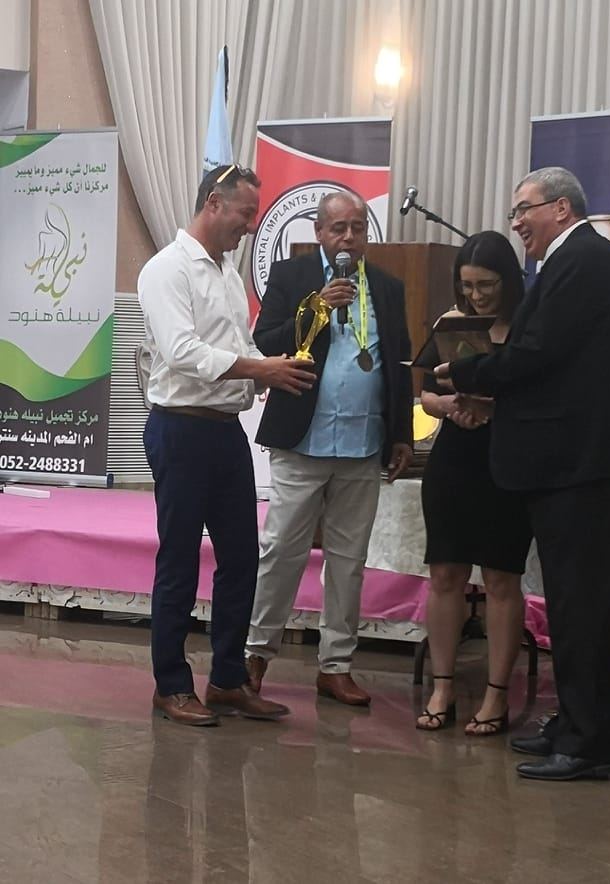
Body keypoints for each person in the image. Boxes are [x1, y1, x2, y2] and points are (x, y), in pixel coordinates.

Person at [436, 167, 610, 780]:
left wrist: (467, 372)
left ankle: (590, 744)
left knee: (582, 605)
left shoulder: (583, 261)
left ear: (561, 208)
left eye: (524, 209)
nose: (515, 222)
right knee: (570, 603)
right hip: (576, 461)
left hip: (587, 464)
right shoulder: (574, 261)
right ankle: (574, 725)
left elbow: (538, 354)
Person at [139, 163, 317, 726]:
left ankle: (227, 680)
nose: (250, 225)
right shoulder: (166, 269)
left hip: (224, 432)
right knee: (179, 560)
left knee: (241, 558)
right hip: (180, 430)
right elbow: (182, 353)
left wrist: (268, 369)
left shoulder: (227, 273)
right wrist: (260, 369)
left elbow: (238, 345)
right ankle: (171, 686)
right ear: (213, 203)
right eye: (245, 213)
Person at [245, 190, 414, 706]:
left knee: (348, 560)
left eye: (357, 228)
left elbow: (398, 363)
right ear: (319, 232)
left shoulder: (387, 287)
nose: (348, 238)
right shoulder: (292, 276)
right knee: (281, 551)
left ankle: (336, 665)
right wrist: (317, 306)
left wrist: (402, 434)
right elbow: (266, 340)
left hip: (363, 444)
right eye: (338, 228)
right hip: (303, 441)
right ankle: (254, 655)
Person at [416, 232, 532, 735]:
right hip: (454, 461)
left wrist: (492, 408)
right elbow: (426, 392)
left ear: (508, 280)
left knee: (502, 579)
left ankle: (496, 696)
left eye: (486, 285)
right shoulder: (452, 323)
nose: (476, 295)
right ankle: (442, 688)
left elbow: (541, 397)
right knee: (445, 574)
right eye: (467, 286)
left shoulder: (529, 326)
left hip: (507, 462)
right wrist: (448, 405)